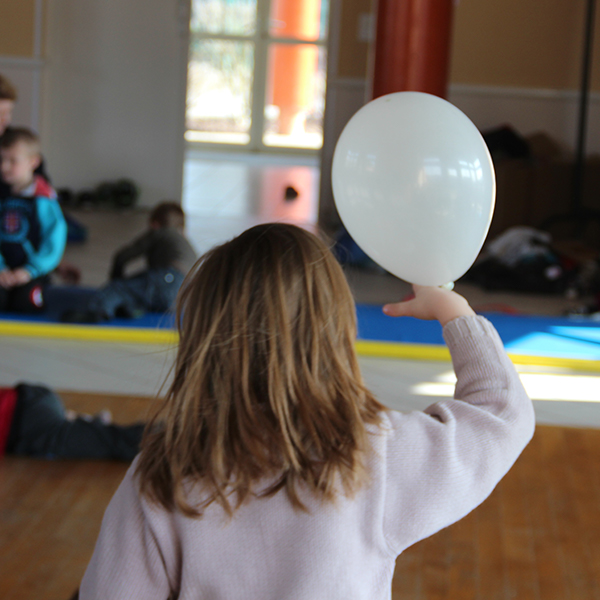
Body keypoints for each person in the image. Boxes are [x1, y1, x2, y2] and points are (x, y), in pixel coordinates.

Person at [79, 223, 535, 599]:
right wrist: (455, 313)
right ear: (343, 327)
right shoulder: (374, 454)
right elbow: (501, 414)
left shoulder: (163, 473)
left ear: (200, 339)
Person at [62, 201, 196, 323]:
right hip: (182, 296)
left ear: (154, 224)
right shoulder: (187, 245)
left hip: (167, 278)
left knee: (119, 288)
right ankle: (131, 308)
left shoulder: (159, 232)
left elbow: (123, 256)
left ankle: (96, 312)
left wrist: (116, 278)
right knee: (141, 291)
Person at [0, 127, 67, 312]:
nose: (3, 167)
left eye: (12, 161)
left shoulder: (43, 200)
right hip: (3, 270)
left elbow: (54, 240)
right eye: (1, 159)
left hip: (32, 271)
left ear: (33, 162)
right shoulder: (2, 196)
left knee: (26, 304)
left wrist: (30, 270)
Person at [0, 383, 144, 461]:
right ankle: (83, 420)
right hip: (33, 397)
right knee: (94, 436)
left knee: (109, 443)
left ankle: (159, 444)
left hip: (27, 421)